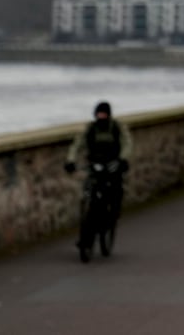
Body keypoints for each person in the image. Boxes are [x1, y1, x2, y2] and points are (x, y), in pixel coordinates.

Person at [65, 101, 133, 255]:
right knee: (91, 197)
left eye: (103, 114)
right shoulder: (90, 128)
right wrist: (70, 160)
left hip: (112, 166)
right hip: (95, 166)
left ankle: (111, 219)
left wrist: (122, 159)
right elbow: (77, 144)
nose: (100, 116)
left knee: (116, 194)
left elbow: (127, 143)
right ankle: (86, 236)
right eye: (98, 114)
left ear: (108, 115)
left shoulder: (117, 127)